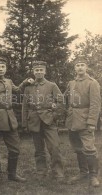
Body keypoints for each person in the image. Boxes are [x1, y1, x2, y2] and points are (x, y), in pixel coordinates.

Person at [0, 58, 34, 185]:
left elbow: (16, 90)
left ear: (6, 69)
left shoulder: (8, 81)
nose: (0, 69)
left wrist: (25, 82)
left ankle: (12, 174)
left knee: (15, 148)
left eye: (3, 67)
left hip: (10, 121)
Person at [22, 61, 65, 182]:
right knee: (39, 149)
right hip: (34, 121)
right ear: (33, 72)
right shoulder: (28, 87)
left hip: (49, 121)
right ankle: (41, 171)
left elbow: (61, 102)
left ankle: (58, 172)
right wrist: (25, 123)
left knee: (55, 147)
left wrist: (54, 116)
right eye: (37, 70)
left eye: (41, 70)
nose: (39, 72)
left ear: (45, 71)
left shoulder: (52, 85)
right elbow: (25, 106)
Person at [65, 55, 101, 187]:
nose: (80, 68)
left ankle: (93, 176)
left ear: (86, 67)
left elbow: (95, 104)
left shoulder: (92, 83)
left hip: (85, 121)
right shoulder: (71, 83)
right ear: (74, 68)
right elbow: (66, 99)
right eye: (77, 65)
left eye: (82, 65)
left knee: (89, 149)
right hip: (72, 120)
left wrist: (92, 123)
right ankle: (83, 172)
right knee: (78, 148)